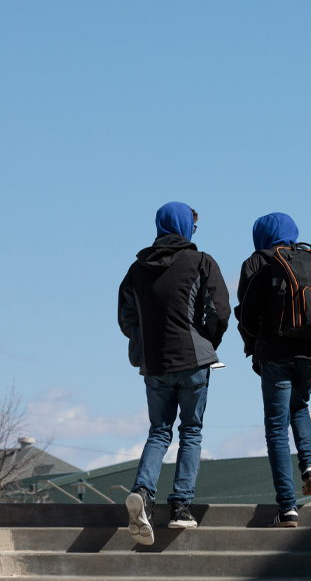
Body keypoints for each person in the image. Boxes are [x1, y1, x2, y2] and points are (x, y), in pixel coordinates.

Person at [117, 202, 230, 545]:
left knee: (159, 431)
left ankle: (142, 492)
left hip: (155, 364)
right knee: (191, 431)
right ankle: (180, 507)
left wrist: (145, 339)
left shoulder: (137, 268)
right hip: (194, 360)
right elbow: (221, 310)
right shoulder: (200, 262)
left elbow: (126, 318)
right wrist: (208, 339)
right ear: (185, 227)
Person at [235, 212, 311, 528]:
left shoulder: (256, 262)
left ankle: (288, 507)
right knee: (299, 408)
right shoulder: (309, 261)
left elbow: (246, 315)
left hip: (275, 355)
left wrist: (254, 348)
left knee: (276, 428)